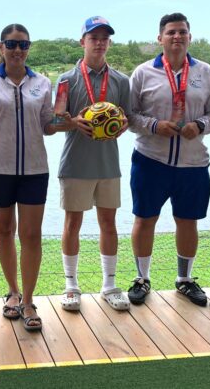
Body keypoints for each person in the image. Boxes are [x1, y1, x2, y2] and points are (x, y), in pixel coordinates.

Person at [0, 24, 74, 331]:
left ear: (29, 48)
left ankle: (28, 300)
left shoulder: (41, 82)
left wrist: (65, 122)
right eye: (11, 45)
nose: (17, 50)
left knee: (31, 235)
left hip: (34, 170)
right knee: (4, 232)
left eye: (23, 45)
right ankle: (12, 292)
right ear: (0, 47)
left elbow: (47, 125)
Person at [126, 13, 210, 307]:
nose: (177, 37)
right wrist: (154, 125)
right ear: (160, 38)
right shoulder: (142, 72)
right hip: (150, 159)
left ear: (190, 37)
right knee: (145, 219)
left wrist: (201, 125)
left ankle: (185, 280)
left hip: (193, 163)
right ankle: (142, 278)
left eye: (182, 32)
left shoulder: (205, 72)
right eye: (171, 32)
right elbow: (129, 116)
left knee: (188, 221)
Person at [57, 16, 131, 312]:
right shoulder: (66, 80)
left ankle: (110, 285)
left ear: (109, 43)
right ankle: (71, 286)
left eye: (104, 38)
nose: (99, 43)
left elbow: (129, 118)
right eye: (93, 37)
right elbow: (53, 122)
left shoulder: (121, 81)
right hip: (75, 163)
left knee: (108, 224)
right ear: (82, 42)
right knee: (72, 224)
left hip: (108, 164)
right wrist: (74, 123)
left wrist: (123, 124)